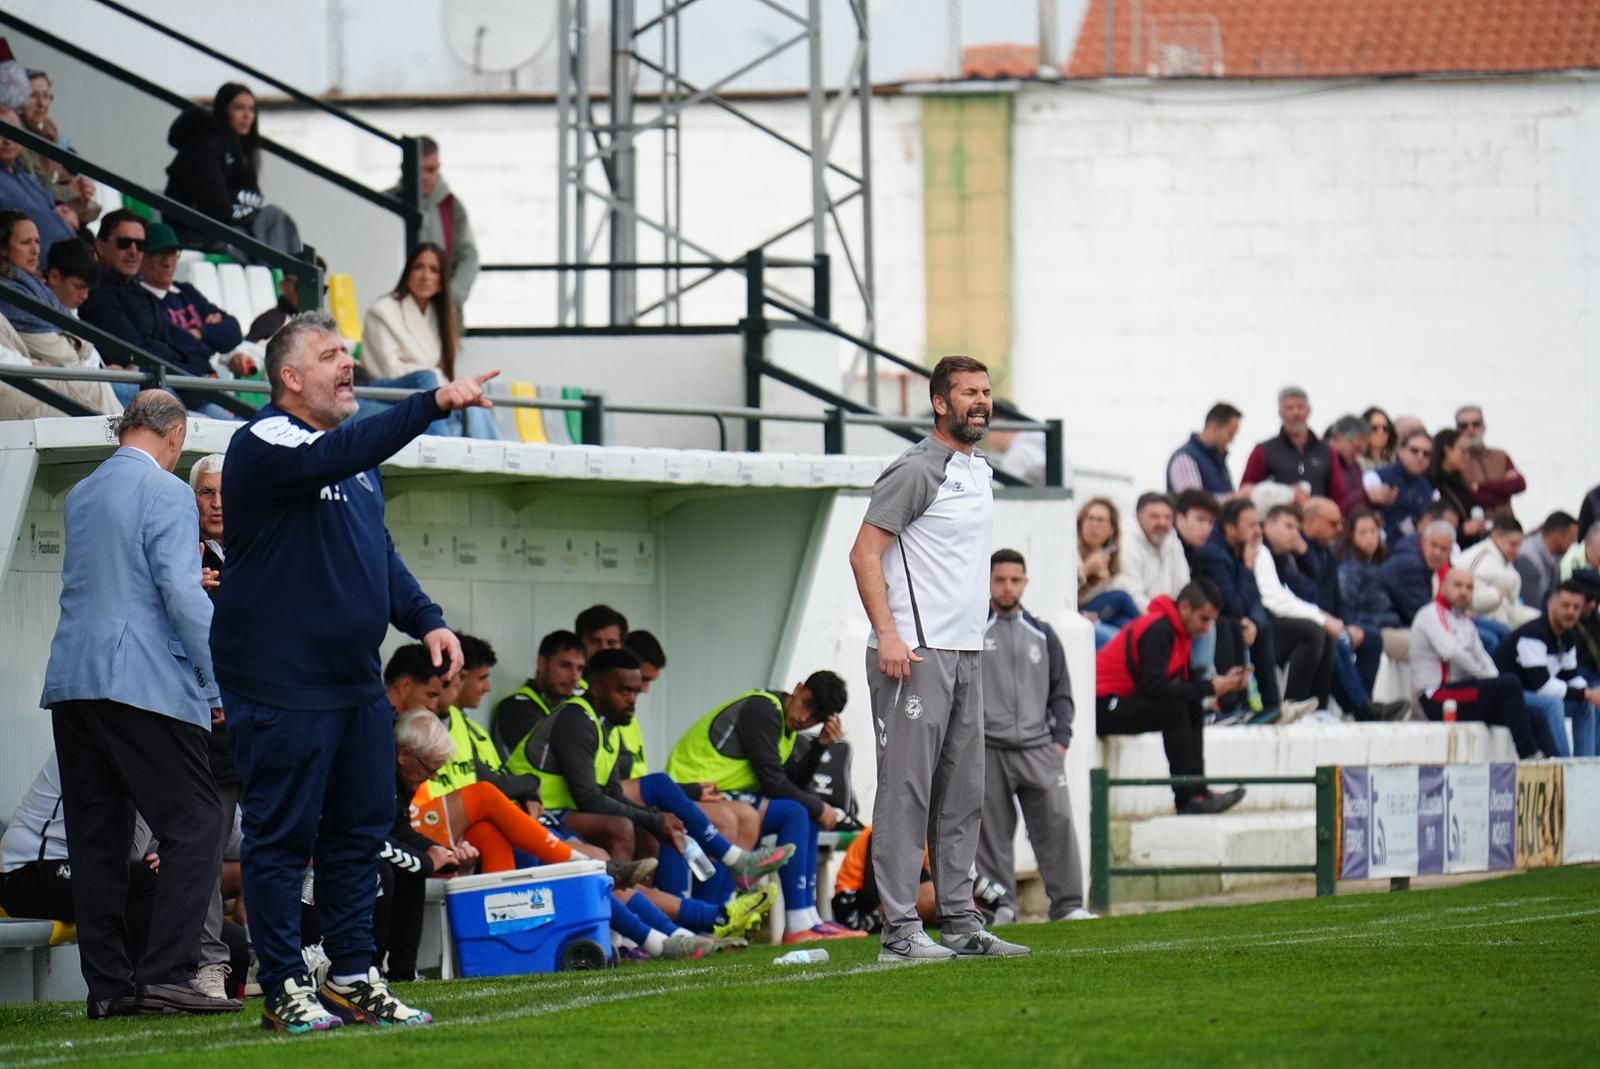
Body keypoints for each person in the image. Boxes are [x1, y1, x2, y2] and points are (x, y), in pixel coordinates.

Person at [211, 312, 496, 1033]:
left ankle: (351, 975)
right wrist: (431, 403)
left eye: (349, 353)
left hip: (354, 685)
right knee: (279, 839)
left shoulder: (354, 460)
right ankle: (280, 985)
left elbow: (380, 554)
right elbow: (334, 456)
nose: (348, 364)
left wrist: (427, 616)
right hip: (281, 683)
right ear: (289, 376)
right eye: (331, 354)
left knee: (357, 836)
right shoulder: (265, 442)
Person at [39, 390, 240, 1019]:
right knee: (197, 821)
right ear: (175, 434)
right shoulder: (169, 491)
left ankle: (109, 987)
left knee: (97, 839)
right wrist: (216, 685)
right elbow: (181, 596)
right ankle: (168, 974)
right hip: (144, 684)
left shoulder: (83, 492)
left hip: (73, 681)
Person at [847, 354, 1027, 963]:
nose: (980, 400)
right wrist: (889, 634)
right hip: (915, 657)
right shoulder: (916, 470)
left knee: (961, 795)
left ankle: (960, 923)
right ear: (940, 403)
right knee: (905, 794)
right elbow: (864, 554)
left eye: (986, 390)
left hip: (967, 653)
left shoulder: (978, 470)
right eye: (968, 392)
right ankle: (898, 933)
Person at [504, 650, 793, 902]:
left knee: (660, 815)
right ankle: (715, 887)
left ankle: (700, 914)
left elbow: (612, 791)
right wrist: (649, 818)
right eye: (624, 692)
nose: (633, 700)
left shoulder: (609, 726)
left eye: (636, 692)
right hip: (538, 810)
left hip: (565, 808)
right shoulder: (577, 720)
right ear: (597, 689)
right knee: (631, 820)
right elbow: (588, 797)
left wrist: (655, 817)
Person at [665, 672, 867, 943]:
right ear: (797, 688)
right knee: (796, 812)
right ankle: (796, 920)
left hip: (726, 795)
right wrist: (819, 806)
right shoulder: (764, 709)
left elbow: (790, 781)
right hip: (691, 791)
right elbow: (774, 784)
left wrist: (819, 747)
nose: (805, 719)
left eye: (816, 718)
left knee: (803, 812)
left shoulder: (787, 725)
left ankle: (809, 917)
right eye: (806, 705)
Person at [974, 549, 1094, 923]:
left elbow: (1061, 691)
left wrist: (1061, 740)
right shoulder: (974, 631)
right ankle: (1003, 907)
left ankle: (1069, 905)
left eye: (1014, 580)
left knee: (1057, 823)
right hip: (988, 748)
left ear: (1025, 582)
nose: (1007, 587)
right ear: (988, 582)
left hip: (1039, 747)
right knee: (990, 835)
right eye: (1000, 580)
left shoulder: (1043, 634)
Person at [1096, 581, 1251, 813]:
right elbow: (1154, 688)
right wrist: (1209, 688)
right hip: (1104, 705)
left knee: (1191, 706)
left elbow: (1183, 687)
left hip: (1125, 701)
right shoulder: (1159, 629)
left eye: (1211, 621)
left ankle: (1198, 790)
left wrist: (1222, 684)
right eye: (1204, 619)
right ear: (1186, 608)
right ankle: (1186, 798)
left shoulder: (1181, 632)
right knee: (1176, 710)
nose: (1208, 628)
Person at [0, 753, 159, 975]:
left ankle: (144, 985)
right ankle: (142, 986)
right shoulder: (103, 738)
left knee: (152, 881)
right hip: (26, 872)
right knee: (146, 885)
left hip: (68, 867)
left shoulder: (131, 744)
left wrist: (163, 856)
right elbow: (130, 851)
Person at [186, 452, 244, 997]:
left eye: (226, 491)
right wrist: (191, 592)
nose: (218, 502)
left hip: (262, 718)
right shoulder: (181, 556)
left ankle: (304, 950)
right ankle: (208, 963)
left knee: (292, 838)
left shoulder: (258, 551)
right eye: (206, 492)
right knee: (204, 849)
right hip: (208, 728)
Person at [1409, 567, 1556, 758]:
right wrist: (1490, 681)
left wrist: (1493, 682)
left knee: (1534, 714)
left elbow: (1483, 658)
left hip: (1462, 693)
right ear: (1443, 586)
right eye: (1458, 585)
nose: (1464, 591)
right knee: (1509, 684)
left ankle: (1557, 767)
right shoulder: (1430, 614)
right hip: (1437, 696)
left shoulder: (1466, 622)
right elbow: (1451, 652)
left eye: (1469, 587)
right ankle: (1528, 755)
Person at [361, 243, 496, 439]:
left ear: (442, 280)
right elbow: (389, 370)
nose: (425, 276)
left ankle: (492, 461)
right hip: (389, 392)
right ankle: (441, 451)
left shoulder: (437, 316)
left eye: (434, 270)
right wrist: (435, 376)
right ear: (408, 272)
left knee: (473, 400)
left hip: (427, 391)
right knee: (427, 378)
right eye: (418, 268)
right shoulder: (382, 311)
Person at [1191, 498, 1304, 724]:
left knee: (1263, 625)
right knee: (1232, 625)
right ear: (1231, 528)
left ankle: (1272, 705)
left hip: (1234, 617)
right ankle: (1235, 705)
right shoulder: (1213, 554)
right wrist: (1248, 567)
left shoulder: (1239, 550)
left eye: (1258, 524)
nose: (1258, 531)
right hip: (1217, 621)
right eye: (1251, 525)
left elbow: (1254, 599)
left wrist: (1252, 619)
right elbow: (1232, 604)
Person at [1296, 499, 1408, 720]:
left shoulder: (1326, 553)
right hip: (1308, 622)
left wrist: (1348, 625)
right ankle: (1362, 709)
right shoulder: (1300, 554)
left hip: (1332, 621)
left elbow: (1338, 601)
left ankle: (1363, 702)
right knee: (1333, 640)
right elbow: (1307, 595)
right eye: (1333, 523)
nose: (1339, 529)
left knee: (1371, 639)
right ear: (1311, 522)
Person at [0, 211, 119, 415]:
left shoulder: (36, 285)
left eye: (37, 241)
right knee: (103, 387)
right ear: (3, 248)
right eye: (26, 242)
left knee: (151, 391)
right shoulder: (9, 291)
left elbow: (84, 347)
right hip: (26, 385)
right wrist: (77, 353)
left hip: (48, 376)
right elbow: (59, 355)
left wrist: (78, 352)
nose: (35, 250)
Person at [164, 83, 301, 257]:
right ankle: (289, 278)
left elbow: (252, 199)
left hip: (231, 227)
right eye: (239, 108)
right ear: (223, 110)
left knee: (274, 217)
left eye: (251, 109)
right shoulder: (205, 145)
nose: (247, 116)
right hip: (197, 232)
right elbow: (214, 207)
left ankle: (293, 274)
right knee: (267, 226)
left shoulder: (241, 151)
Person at [1494, 580, 1600, 758]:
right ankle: (1564, 764)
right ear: (1551, 605)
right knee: (1553, 703)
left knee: (1586, 705)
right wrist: (1587, 693)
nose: (1571, 612)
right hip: (1506, 696)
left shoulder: (1568, 635)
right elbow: (1543, 687)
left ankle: (1586, 762)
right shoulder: (1533, 634)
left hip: (1532, 694)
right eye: (1565, 605)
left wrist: (1592, 693)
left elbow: (1571, 677)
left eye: (1576, 607)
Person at [138, 222, 255, 379]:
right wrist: (211, 340)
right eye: (159, 254)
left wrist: (200, 332)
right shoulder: (139, 298)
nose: (167, 263)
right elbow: (172, 345)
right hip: (180, 383)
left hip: (204, 377)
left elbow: (233, 332)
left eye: (173, 254)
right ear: (143, 257)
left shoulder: (186, 291)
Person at [1256, 505, 1336, 719]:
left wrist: (1320, 616)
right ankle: (1294, 706)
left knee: (1323, 632)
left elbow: (1306, 591)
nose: (1294, 533)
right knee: (1312, 631)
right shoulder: (1260, 550)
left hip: (1269, 623)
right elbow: (1273, 599)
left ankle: (1319, 711)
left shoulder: (1283, 557)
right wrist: (1320, 616)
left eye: (1297, 528)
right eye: (1288, 526)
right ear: (1268, 525)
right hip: (1257, 627)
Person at [389, 137, 478, 317]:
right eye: (418, 170)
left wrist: (452, 297)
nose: (424, 177)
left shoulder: (452, 207)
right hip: (398, 310)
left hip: (442, 314)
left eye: (430, 169)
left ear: (438, 167)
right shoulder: (387, 204)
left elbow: (468, 256)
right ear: (404, 169)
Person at [1337, 508, 1409, 686]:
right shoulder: (1348, 569)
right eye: (1362, 532)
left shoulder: (1381, 564)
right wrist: (1388, 619)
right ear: (1351, 536)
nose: (1369, 537)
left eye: (1373, 531)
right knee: (1422, 645)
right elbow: (1348, 613)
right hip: (1372, 629)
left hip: (1390, 624)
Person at [18, 71, 100, 227]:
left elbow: (59, 175)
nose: (41, 104)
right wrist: (71, 191)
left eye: (46, 96)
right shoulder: (16, 138)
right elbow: (36, 186)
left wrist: (81, 186)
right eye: (33, 96)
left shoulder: (50, 130)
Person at [1240, 386, 1344, 505]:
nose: (1296, 413)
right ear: (1280, 413)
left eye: (1300, 407)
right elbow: (1245, 493)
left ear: (1309, 410)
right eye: (1289, 408)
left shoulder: (1327, 452)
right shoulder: (1263, 451)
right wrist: (1284, 493)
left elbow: (1339, 496)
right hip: (1275, 520)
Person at [491, 629, 584, 758]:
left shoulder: (572, 702)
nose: (575, 677)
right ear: (542, 663)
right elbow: (557, 759)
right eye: (566, 666)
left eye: (580, 669)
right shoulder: (517, 709)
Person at [0, 104, 76, 256]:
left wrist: (60, 212)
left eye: (13, 132)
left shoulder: (24, 174)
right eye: (1, 133)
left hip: (72, 262)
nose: (8, 140)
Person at [1077, 495, 1140, 648]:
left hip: (1103, 614)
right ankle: (1149, 630)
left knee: (1125, 623)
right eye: (1090, 519)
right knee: (1121, 598)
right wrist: (1085, 570)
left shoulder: (1112, 556)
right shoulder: (1072, 551)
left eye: (1100, 520)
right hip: (1078, 610)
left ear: (1111, 529)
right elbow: (1061, 593)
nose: (1094, 525)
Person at [1458, 518, 1540, 631]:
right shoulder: (1479, 558)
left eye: (1520, 545)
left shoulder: (1506, 563)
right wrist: (1495, 595)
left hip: (1502, 624)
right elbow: (1465, 601)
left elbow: (1512, 609)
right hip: (1473, 625)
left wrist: (1540, 619)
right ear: (1496, 536)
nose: (1517, 550)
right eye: (1513, 544)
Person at [1118, 492, 1190, 611]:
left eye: (1167, 517)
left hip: (1167, 615)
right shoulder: (1126, 544)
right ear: (1138, 517)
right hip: (1134, 616)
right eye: (1154, 516)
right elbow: (1132, 596)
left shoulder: (1173, 542)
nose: (1162, 522)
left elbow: (1184, 587)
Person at [1364, 429, 1438, 543]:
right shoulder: (1374, 477)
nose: (1420, 457)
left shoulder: (1430, 490)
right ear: (1400, 451)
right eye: (1414, 451)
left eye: (1426, 454)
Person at [1454, 405, 1525, 522]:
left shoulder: (1500, 456)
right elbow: (1471, 498)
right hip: (1477, 532)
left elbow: (1519, 484)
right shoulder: (1457, 461)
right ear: (1457, 431)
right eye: (1464, 426)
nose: (1470, 429)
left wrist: (1480, 487)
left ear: (1484, 427)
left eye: (1475, 424)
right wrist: (1504, 490)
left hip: (1508, 526)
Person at [1167, 402, 1240, 499]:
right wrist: (1234, 498)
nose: (1232, 440)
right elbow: (1192, 502)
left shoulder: (1217, 461)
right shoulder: (1185, 458)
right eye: (1231, 433)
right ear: (1214, 427)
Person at [1430, 428, 1487, 547]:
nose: (1467, 456)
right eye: (1463, 451)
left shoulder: (1459, 482)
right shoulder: (1433, 484)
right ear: (1447, 450)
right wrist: (1462, 530)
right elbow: (1429, 526)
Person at [1517, 511, 1579, 610]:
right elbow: (1530, 607)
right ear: (1558, 535)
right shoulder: (1527, 560)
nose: (1573, 543)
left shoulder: (1555, 556)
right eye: (1572, 537)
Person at [1324, 415, 1371, 515]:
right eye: (1356, 448)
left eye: (1363, 449)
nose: (1360, 454)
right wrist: (1367, 495)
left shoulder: (1355, 466)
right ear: (1339, 438)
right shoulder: (1322, 461)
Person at [1359, 406, 1395, 473]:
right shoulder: (1356, 462)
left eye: (1385, 428)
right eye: (1374, 428)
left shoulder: (1394, 461)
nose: (1381, 432)